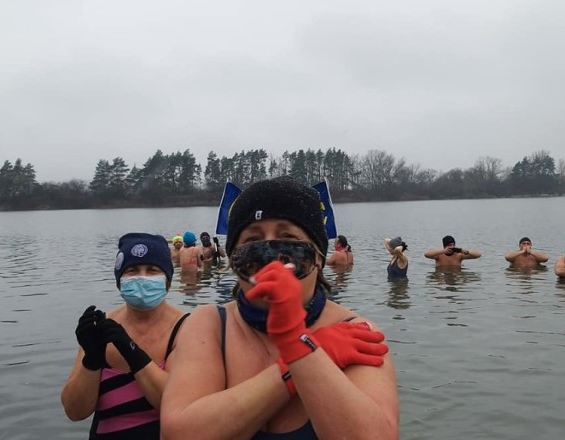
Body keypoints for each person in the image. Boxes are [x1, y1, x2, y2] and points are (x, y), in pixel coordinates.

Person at [161, 176, 399, 440]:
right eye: (252, 239)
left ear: (318, 258)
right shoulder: (210, 323)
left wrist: (296, 342)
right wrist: (296, 357)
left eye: (288, 237)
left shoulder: (355, 331)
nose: (269, 251)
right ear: (233, 259)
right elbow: (178, 434)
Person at [61, 232, 189, 439]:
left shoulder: (186, 327)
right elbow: (75, 412)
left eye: (152, 270)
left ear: (167, 280)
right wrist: (92, 360)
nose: (142, 277)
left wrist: (132, 352)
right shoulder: (101, 327)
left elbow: (180, 405)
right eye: (132, 270)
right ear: (119, 280)